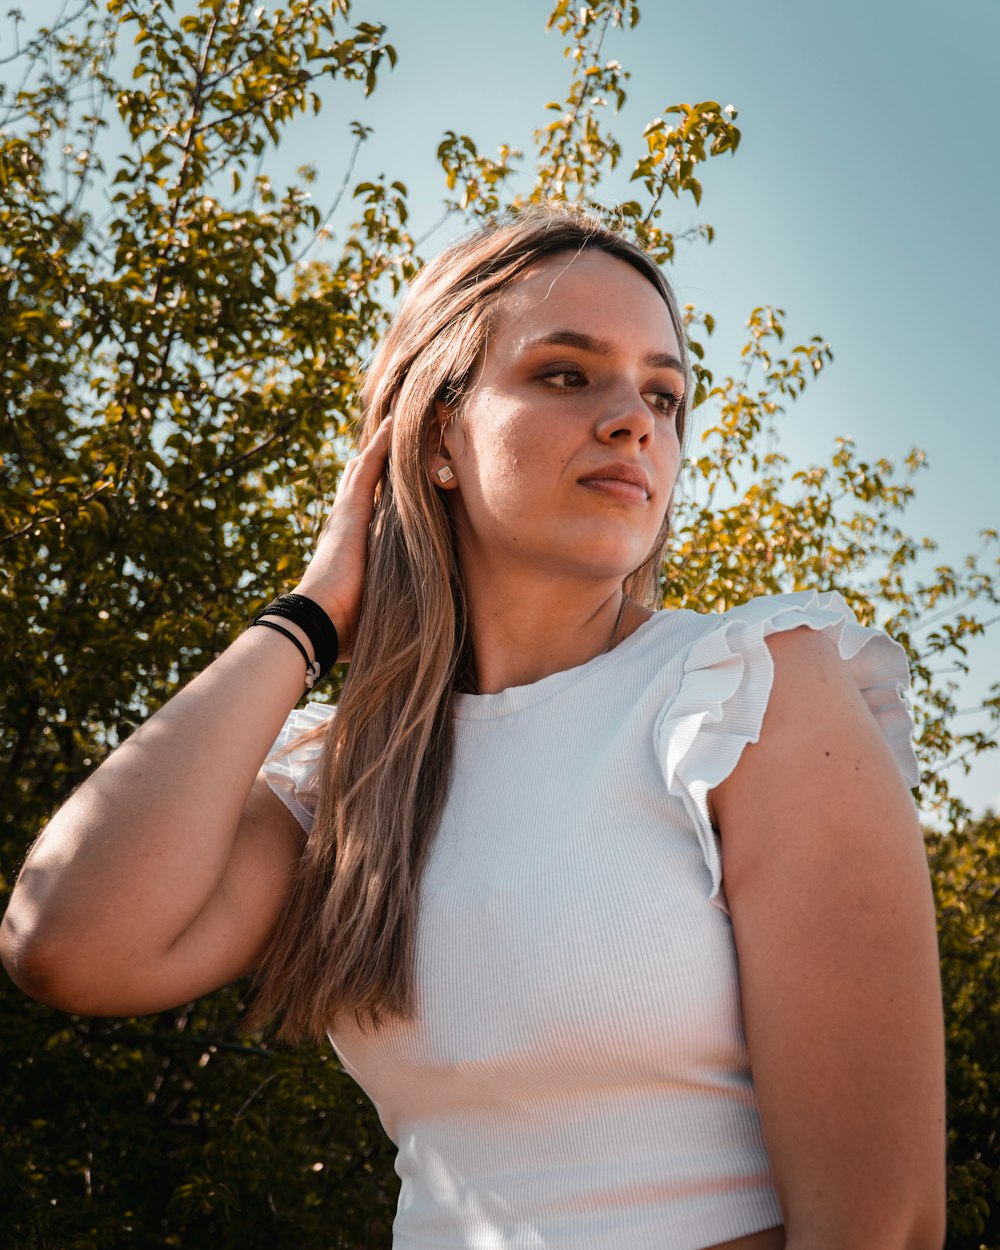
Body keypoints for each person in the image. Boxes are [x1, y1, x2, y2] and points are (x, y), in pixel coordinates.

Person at [1, 207, 946, 1250]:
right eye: (565, 373)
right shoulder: (346, 775)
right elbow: (69, 940)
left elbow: (880, 1224)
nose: (635, 417)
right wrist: (311, 614)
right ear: (439, 432)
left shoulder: (748, 686)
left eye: (664, 393)